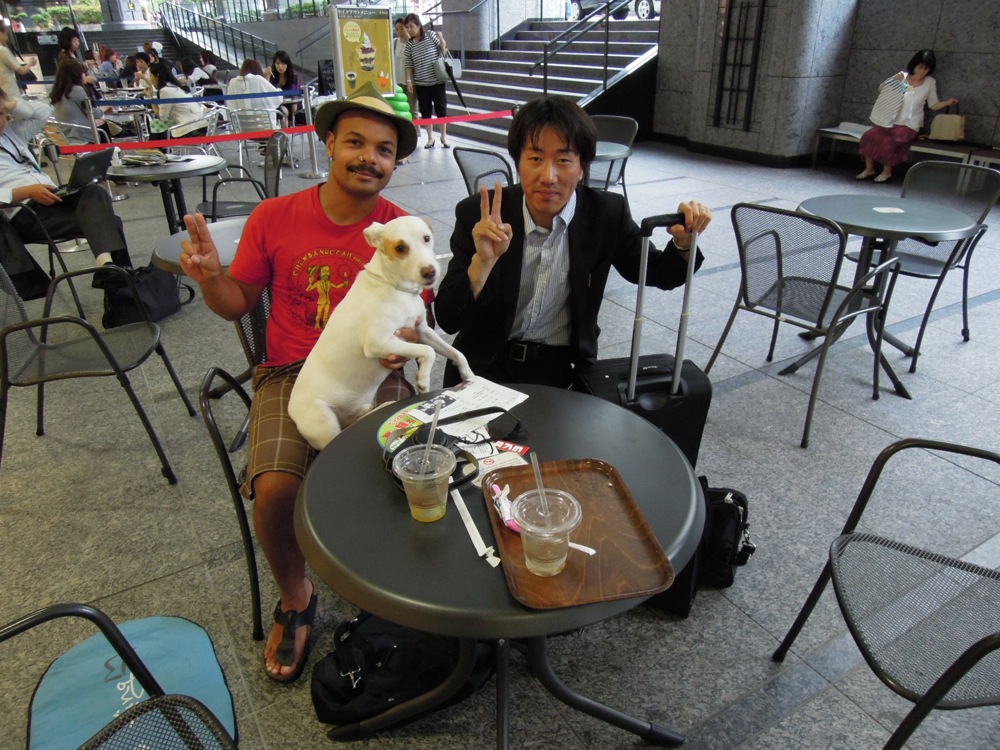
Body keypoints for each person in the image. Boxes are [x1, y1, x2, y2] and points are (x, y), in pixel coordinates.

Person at [178, 81, 419, 683]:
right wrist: (211, 278)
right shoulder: (275, 216)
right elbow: (237, 303)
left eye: (384, 149)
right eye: (356, 143)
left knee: (406, 475)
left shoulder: (400, 225)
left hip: (372, 371)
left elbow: (418, 318)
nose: (369, 158)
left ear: (395, 161)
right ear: (329, 142)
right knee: (276, 487)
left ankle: (393, 587)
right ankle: (296, 596)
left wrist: (404, 350)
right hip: (291, 374)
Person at [435, 95, 712, 388]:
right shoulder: (480, 216)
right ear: (519, 162)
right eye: (536, 158)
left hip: (562, 371)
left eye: (564, 160)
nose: (549, 176)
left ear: (582, 168)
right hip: (484, 366)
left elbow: (654, 272)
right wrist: (482, 262)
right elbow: (449, 318)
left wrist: (683, 243)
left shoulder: (606, 214)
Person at [0, 88, 132, 274]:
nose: (1, 121)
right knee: (112, 222)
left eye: (2, 114)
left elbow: (44, 112)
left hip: (52, 196)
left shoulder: (11, 133)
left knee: (94, 190)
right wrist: (27, 192)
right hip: (23, 212)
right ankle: (117, 276)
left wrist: (12, 105)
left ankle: (111, 272)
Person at [857, 49, 958, 183]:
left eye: (926, 69)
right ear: (914, 65)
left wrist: (947, 103)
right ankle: (869, 168)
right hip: (891, 120)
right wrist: (893, 79)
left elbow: (933, 105)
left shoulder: (929, 82)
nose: (922, 72)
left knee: (891, 141)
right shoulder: (902, 78)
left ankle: (887, 171)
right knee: (869, 136)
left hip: (910, 125)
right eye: (920, 67)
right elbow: (882, 89)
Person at [404, 13, 449, 148]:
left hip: (437, 81)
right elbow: (408, 65)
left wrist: (442, 40)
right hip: (421, 83)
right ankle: (430, 138)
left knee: (441, 109)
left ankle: (444, 136)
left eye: (411, 26)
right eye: (407, 27)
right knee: (425, 110)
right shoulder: (409, 45)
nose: (409, 30)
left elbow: (443, 51)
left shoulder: (430, 35)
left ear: (418, 25)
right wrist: (409, 81)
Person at [50, 59, 112, 142]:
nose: (84, 75)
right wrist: (106, 107)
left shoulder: (57, 92)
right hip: (81, 137)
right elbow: (94, 113)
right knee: (107, 127)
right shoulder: (77, 90)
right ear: (76, 74)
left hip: (65, 137)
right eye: (82, 72)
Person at [148, 60, 207, 139]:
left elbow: (162, 117)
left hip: (189, 131)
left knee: (157, 126)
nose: (150, 79)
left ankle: (156, 149)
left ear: (157, 76)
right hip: (201, 126)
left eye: (151, 75)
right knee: (158, 127)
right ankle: (155, 148)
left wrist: (150, 98)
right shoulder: (177, 87)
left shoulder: (165, 91)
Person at [227, 59, 282, 127]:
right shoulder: (258, 79)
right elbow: (277, 99)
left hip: (243, 131)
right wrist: (278, 89)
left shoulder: (233, 82)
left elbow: (231, 107)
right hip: (265, 130)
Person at [0, 25, 36, 102]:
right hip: (9, 93)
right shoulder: (2, 50)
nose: (6, 38)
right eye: (6, 34)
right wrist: (30, 63)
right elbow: (21, 71)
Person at [266, 50, 300, 124]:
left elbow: (296, 95)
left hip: (293, 105)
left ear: (287, 64)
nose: (280, 66)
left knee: (292, 110)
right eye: (277, 63)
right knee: (281, 114)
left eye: (283, 63)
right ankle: (284, 134)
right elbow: (268, 92)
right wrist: (267, 77)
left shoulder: (294, 77)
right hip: (279, 105)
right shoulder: (272, 77)